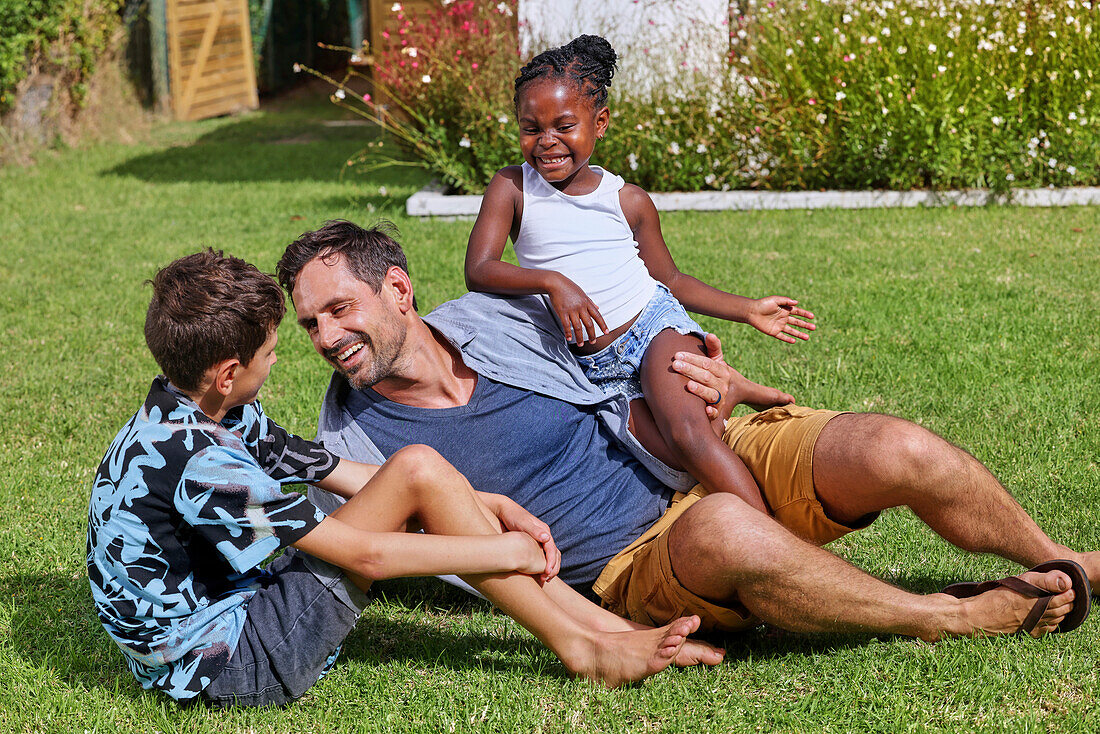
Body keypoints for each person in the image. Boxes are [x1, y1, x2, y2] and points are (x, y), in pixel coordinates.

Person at [276, 219, 1094, 647]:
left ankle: (1058, 561)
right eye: (310, 324)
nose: (324, 336)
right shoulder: (353, 444)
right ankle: (946, 616)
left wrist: (714, 373)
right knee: (731, 527)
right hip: (635, 564)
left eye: (338, 310)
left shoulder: (504, 316)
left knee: (895, 447)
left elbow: (631, 342)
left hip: (692, 451)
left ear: (398, 289)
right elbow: (343, 549)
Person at [86, 250, 726, 708]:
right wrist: (498, 547)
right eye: (271, 352)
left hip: (244, 610)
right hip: (236, 663)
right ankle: (585, 648)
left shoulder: (200, 407)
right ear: (228, 371)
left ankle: (608, 635)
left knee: (417, 465)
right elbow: (363, 553)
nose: (283, 357)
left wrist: (486, 500)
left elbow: (331, 470)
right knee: (416, 473)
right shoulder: (200, 461)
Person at [464, 34, 815, 514]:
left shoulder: (626, 200)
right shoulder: (511, 187)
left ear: (600, 123)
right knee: (680, 465)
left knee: (691, 435)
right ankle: (732, 388)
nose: (546, 141)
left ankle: (775, 544)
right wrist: (552, 282)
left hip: (650, 332)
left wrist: (748, 309)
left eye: (564, 125)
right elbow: (479, 270)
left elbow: (669, 280)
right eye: (531, 128)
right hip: (587, 369)